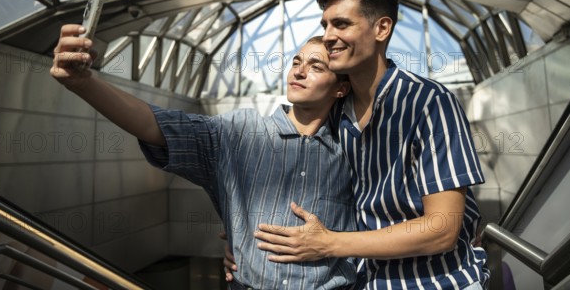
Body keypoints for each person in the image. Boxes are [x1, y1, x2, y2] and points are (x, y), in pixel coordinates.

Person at [50, 27, 357, 290]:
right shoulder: (240, 131)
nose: (298, 72)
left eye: (316, 67)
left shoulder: (355, 150)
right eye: (295, 62)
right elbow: (157, 125)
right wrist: (83, 83)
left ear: (342, 88)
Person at [252, 0, 489, 289]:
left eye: (341, 24)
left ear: (381, 29)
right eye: (325, 26)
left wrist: (329, 243)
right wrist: (245, 242)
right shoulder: (335, 110)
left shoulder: (429, 101)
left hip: (440, 281)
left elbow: (441, 229)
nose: (328, 37)